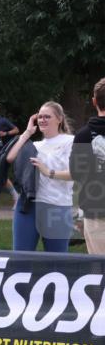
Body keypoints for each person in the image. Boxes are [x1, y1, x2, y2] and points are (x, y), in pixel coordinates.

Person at [6, 102, 74, 252]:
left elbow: (76, 173)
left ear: (59, 119)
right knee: (20, 260)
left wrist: (48, 171)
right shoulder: (34, 145)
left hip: (56, 208)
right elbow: (10, 158)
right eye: (40, 117)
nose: (42, 120)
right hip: (28, 207)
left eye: (47, 117)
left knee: (57, 263)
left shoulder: (70, 141)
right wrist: (27, 133)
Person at [70, 77, 105, 255]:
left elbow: (76, 173)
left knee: (100, 269)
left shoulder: (83, 135)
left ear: (94, 101)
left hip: (95, 209)